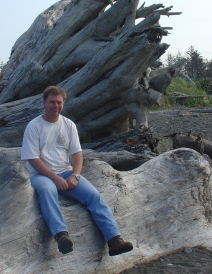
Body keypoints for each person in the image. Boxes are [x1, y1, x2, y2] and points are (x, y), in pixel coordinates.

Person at [21, 86, 133, 256]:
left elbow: (77, 154)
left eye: (59, 102)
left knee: (93, 196)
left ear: (63, 104)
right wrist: (54, 178)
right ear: (44, 102)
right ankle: (61, 235)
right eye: (52, 102)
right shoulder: (34, 126)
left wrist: (75, 175)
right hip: (41, 174)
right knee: (47, 190)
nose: (55, 106)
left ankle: (114, 240)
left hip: (66, 172)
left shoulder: (68, 125)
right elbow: (32, 159)